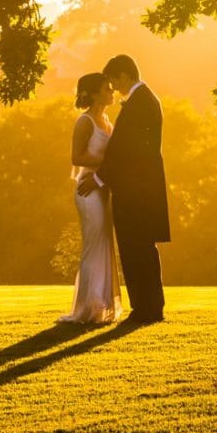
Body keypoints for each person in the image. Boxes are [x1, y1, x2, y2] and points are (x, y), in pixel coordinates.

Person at [77, 55, 170, 324]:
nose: (115, 88)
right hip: (139, 188)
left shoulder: (141, 103)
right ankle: (149, 306)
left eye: (115, 80)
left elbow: (127, 152)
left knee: (135, 249)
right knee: (141, 249)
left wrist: (100, 179)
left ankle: (146, 308)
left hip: (136, 190)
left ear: (125, 75)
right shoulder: (144, 101)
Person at [58, 72, 123, 325]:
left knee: (104, 244)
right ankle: (86, 307)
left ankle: (100, 303)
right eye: (107, 89)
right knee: (93, 245)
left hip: (103, 187)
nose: (112, 92)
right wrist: (111, 163)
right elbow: (77, 157)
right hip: (88, 190)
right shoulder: (85, 122)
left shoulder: (106, 119)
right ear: (95, 94)